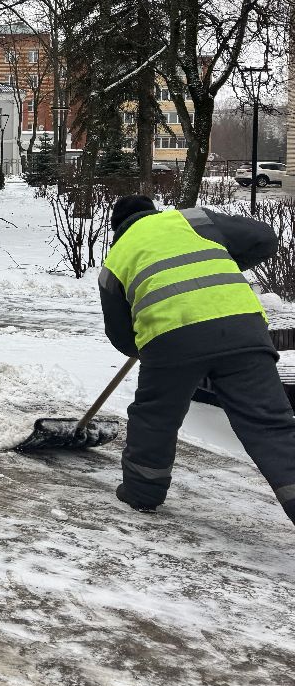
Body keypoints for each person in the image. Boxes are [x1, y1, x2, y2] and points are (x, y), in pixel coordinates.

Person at [100, 194, 295, 524]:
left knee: (155, 416)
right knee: (271, 425)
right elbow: (265, 238)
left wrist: (148, 351)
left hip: (171, 341)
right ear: (154, 211)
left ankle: (142, 492)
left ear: (117, 228)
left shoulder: (115, 260)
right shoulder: (193, 220)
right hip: (243, 330)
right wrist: (222, 260)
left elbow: (120, 336)